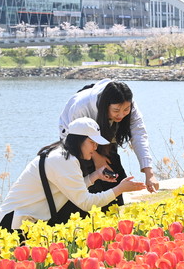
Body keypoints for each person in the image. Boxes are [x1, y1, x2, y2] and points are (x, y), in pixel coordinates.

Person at [0, 118, 146, 233]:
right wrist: (119, 189)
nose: (95, 147)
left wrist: (95, 176)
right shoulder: (63, 160)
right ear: (79, 140)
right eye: (92, 142)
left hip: (21, 221)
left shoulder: (63, 155)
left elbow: (72, 189)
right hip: (14, 224)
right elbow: (86, 202)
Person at [59, 80, 159, 208]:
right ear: (105, 105)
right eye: (116, 110)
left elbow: (139, 136)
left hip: (105, 138)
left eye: (126, 109)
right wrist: (96, 158)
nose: (121, 115)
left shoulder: (128, 106)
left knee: (115, 176)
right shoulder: (81, 107)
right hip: (77, 141)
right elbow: (74, 138)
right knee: (90, 182)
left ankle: (114, 220)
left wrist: (149, 173)